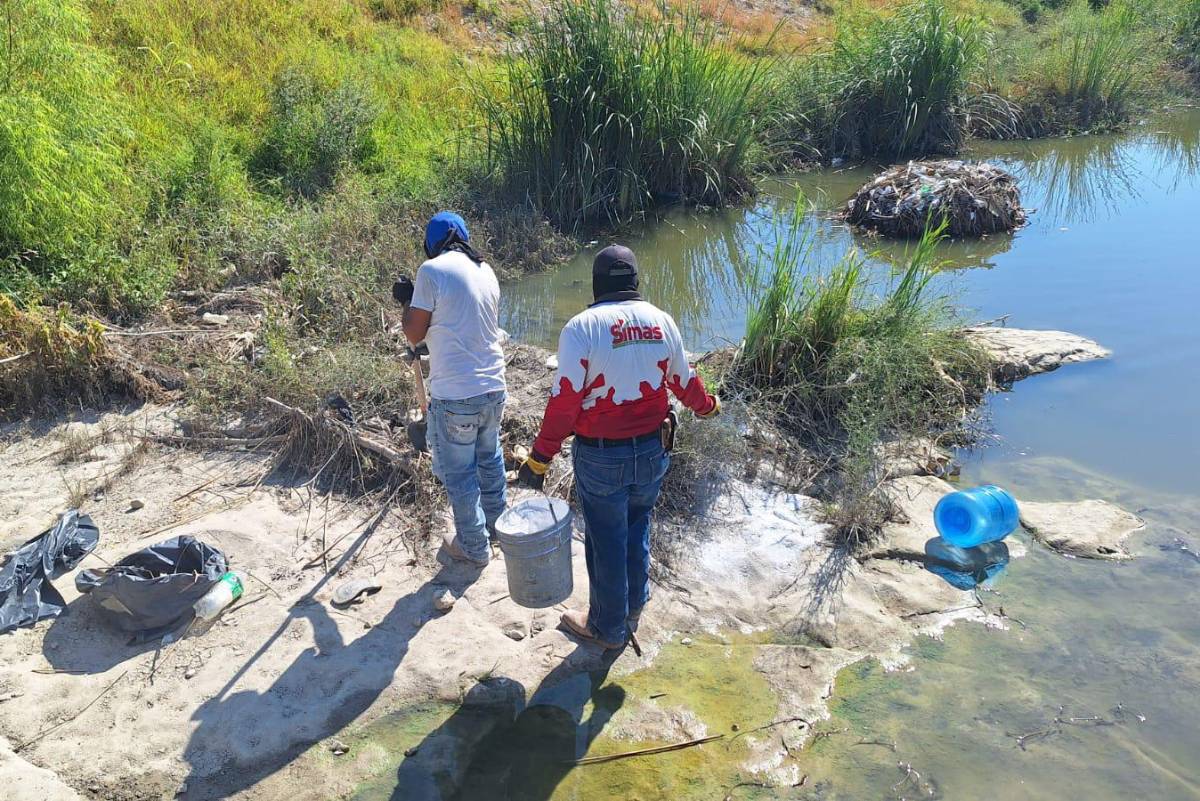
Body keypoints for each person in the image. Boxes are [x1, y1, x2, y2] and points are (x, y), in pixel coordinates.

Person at [517, 245, 720, 649]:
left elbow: (565, 402)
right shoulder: (662, 321)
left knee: (606, 539)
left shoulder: (581, 328)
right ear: (635, 282)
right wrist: (708, 406)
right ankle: (633, 607)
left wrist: (540, 458)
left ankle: (607, 628)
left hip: (601, 456)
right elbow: (684, 381)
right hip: (653, 451)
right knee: (637, 524)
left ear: (596, 284)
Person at [394, 212, 507, 568]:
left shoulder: (431, 271)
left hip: (457, 394)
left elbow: (414, 333)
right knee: (489, 460)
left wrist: (407, 302)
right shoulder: (486, 270)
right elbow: (462, 326)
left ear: (432, 244)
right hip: (494, 387)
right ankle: (499, 530)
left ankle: (474, 547)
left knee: (459, 473)